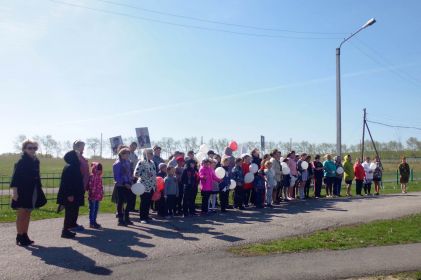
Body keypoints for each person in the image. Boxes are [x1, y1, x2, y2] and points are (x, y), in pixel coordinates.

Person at [10, 140, 47, 246]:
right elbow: (15, 178)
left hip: (33, 191)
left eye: (34, 148)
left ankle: (25, 235)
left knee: (28, 213)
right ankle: (19, 235)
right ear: (24, 149)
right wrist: (15, 192)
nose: (32, 150)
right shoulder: (21, 162)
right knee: (21, 214)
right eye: (30, 148)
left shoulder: (36, 161)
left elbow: (37, 176)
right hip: (22, 191)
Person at [57, 150, 85, 238]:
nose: (79, 155)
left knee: (73, 212)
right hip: (70, 195)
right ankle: (65, 231)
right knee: (69, 213)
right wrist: (69, 195)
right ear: (73, 157)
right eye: (77, 154)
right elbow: (67, 182)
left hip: (75, 194)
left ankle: (69, 228)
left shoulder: (74, 166)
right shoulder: (70, 167)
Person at [134, 148, 157, 224]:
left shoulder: (152, 163)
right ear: (146, 154)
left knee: (148, 202)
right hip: (144, 186)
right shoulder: (141, 162)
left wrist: (155, 184)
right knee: (144, 202)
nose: (152, 155)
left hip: (151, 186)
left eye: (152, 153)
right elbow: (136, 174)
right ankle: (142, 217)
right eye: (150, 153)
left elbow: (154, 174)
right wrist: (145, 174)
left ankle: (146, 216)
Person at [113, 148, 133, 226]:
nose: (128, 155)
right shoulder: (117, 164)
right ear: (121, 154)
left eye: (128, 154)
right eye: (126, 154)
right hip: (121, 185)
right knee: (121, 202)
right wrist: (125, 183)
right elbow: (117, 176)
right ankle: (120, 220)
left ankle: (127, 218)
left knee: (129, 201)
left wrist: (131, 180)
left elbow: (129, 173)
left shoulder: (128, 162)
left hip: (129, 184)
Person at [72, 140, 89, 231]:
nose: (83, 148)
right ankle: (71, 224)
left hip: (82, 185)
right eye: (82, 146)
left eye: (83, 146)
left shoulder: (81, 157)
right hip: (77, 185)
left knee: (76, 206)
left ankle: (73, 223)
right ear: (76, 147)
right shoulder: (75, 157)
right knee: (73, 206)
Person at [87, 162, 104, 229]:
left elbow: (100, 186)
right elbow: (91, 186)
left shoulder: (99, 177)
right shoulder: (92, 177)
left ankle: (94, 221)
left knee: (96, 209)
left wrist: (101, 192)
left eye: (100, 169)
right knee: (92, 209)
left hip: (98, 196)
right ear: (94, 169)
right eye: (98, 169)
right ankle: (91, 223)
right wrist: (93, 193)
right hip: (93, 196)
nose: (99, 170)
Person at [126, 142, 139, 213]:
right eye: (133, 146)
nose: (134, 148)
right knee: (129, 192)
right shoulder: (127, 154)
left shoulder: (135, 155)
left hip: (134, 175)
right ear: (130, 146)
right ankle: (128, 208)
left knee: (134, 192)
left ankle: (132, 207)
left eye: (135, 147)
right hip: (129, 175)